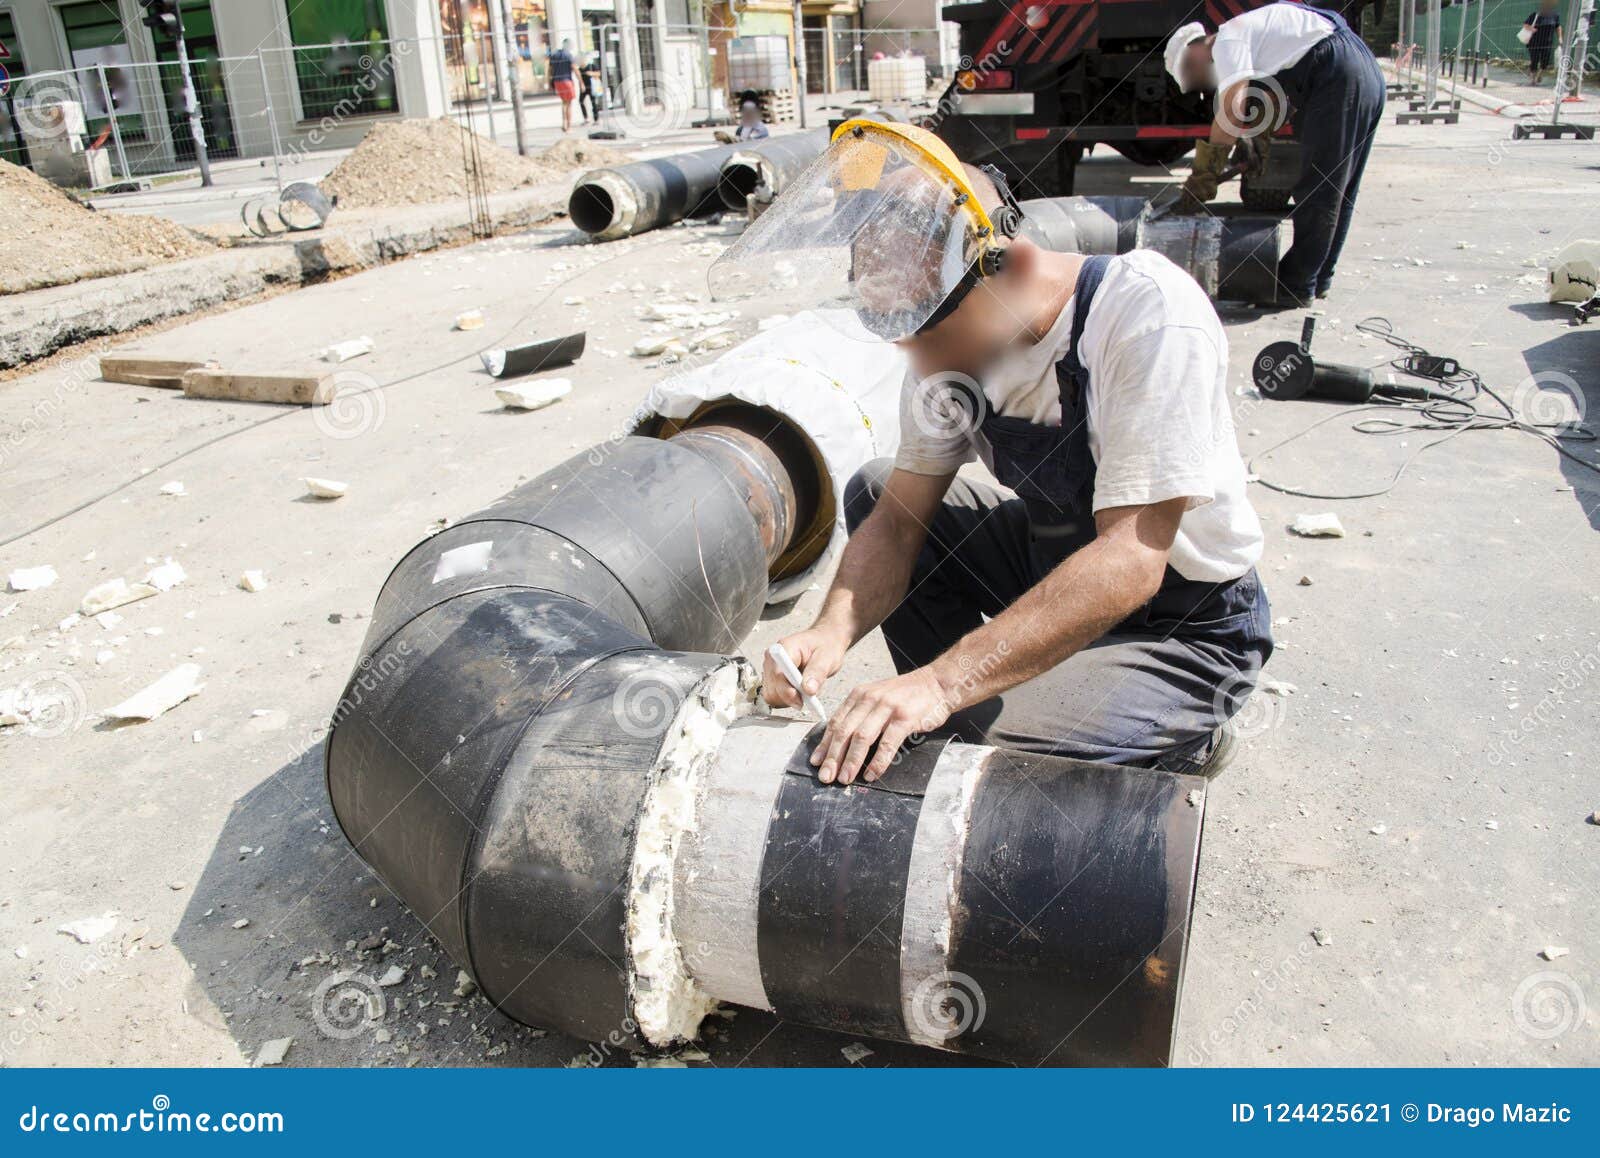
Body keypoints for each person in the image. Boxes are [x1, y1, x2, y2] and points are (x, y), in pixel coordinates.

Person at [710, 120, 1272, 787]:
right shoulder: (940, 347)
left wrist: (947, 685)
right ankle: (958, 708)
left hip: (1182, 622)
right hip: (1055, 567)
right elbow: (896, 523)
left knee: (976, 744)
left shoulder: (1145, 314)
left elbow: (1131, 560)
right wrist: (829, 632)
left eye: (934, 331)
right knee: (876, 489)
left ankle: (1183, 737)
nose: (921, 357)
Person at [1165, 3, 1384, 306]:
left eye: (1196, 77)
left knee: (1321, 188)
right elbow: (1268, 102)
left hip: (1337, 72)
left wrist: (1203, 177)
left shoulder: (1227, 41)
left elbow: (1230, 113)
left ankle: (1296, 285)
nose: (1206, 86)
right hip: (1361, 70)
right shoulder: (1252, 35)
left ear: (1194, 54)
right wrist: (1255, 145)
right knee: (1339, 190)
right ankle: (1319, 277)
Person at [1523, 0, 1564, 85]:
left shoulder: (1555, 15)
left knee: (1545, 61)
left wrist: (1560, 38)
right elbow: (1525, 25)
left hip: (1547, 43)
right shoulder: (1535, 15)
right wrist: (1532, 29)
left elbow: (1558, 26)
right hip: (1534, 42)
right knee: (1534, 60)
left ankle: (1540, 74)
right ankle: (1533, 79)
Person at [548, 38, 577, 132]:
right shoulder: (568, 55)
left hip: (557, 82)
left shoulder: (554, 54)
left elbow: (549, 70)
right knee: (569, 104)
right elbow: (574, 68)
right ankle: (569, 127)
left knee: (564, 103)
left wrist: (549, 83)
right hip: (567, 81)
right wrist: (581, 82)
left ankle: (564, 123)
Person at [579, 52, 603, 122]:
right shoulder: (580, 69)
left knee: (593, 102)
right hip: (584, 87)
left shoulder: (591, 66)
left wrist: (591, 73)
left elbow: (599, 73)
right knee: (581, 101)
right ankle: (586, 118)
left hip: (592, 87)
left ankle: (596, 119)